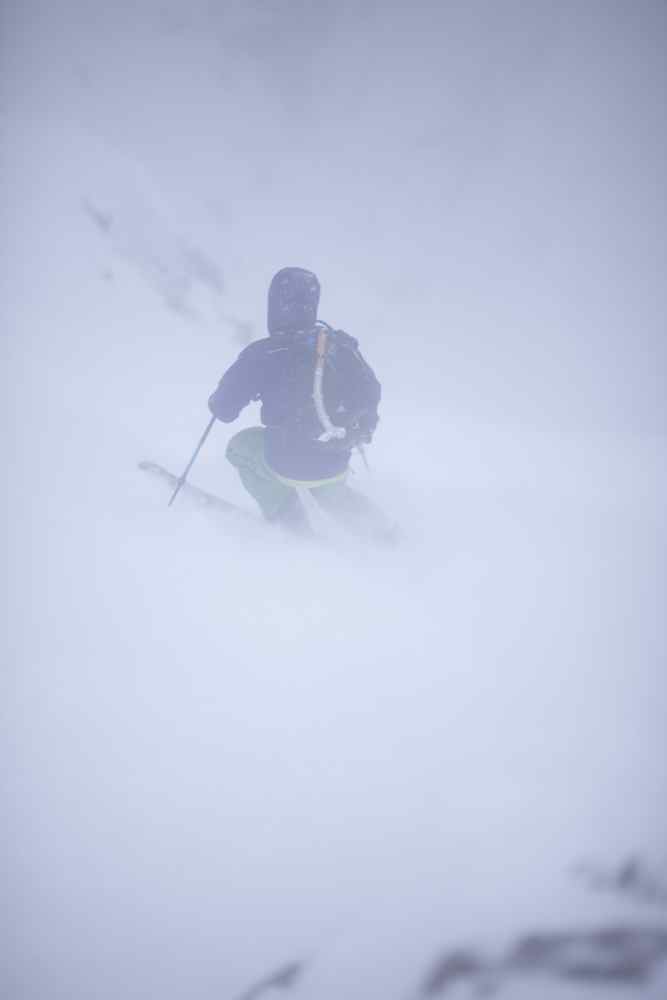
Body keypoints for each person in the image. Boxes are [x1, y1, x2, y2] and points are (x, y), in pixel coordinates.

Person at [208, 266, 387, 538]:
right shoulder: (339, 346)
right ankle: (385, 536)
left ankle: (293, 527)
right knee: (329, 487)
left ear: (275, 305)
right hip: (336, 456)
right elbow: (371, 391)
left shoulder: (263, 353)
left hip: (286, 459)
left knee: (239, 448)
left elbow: (223, 410)